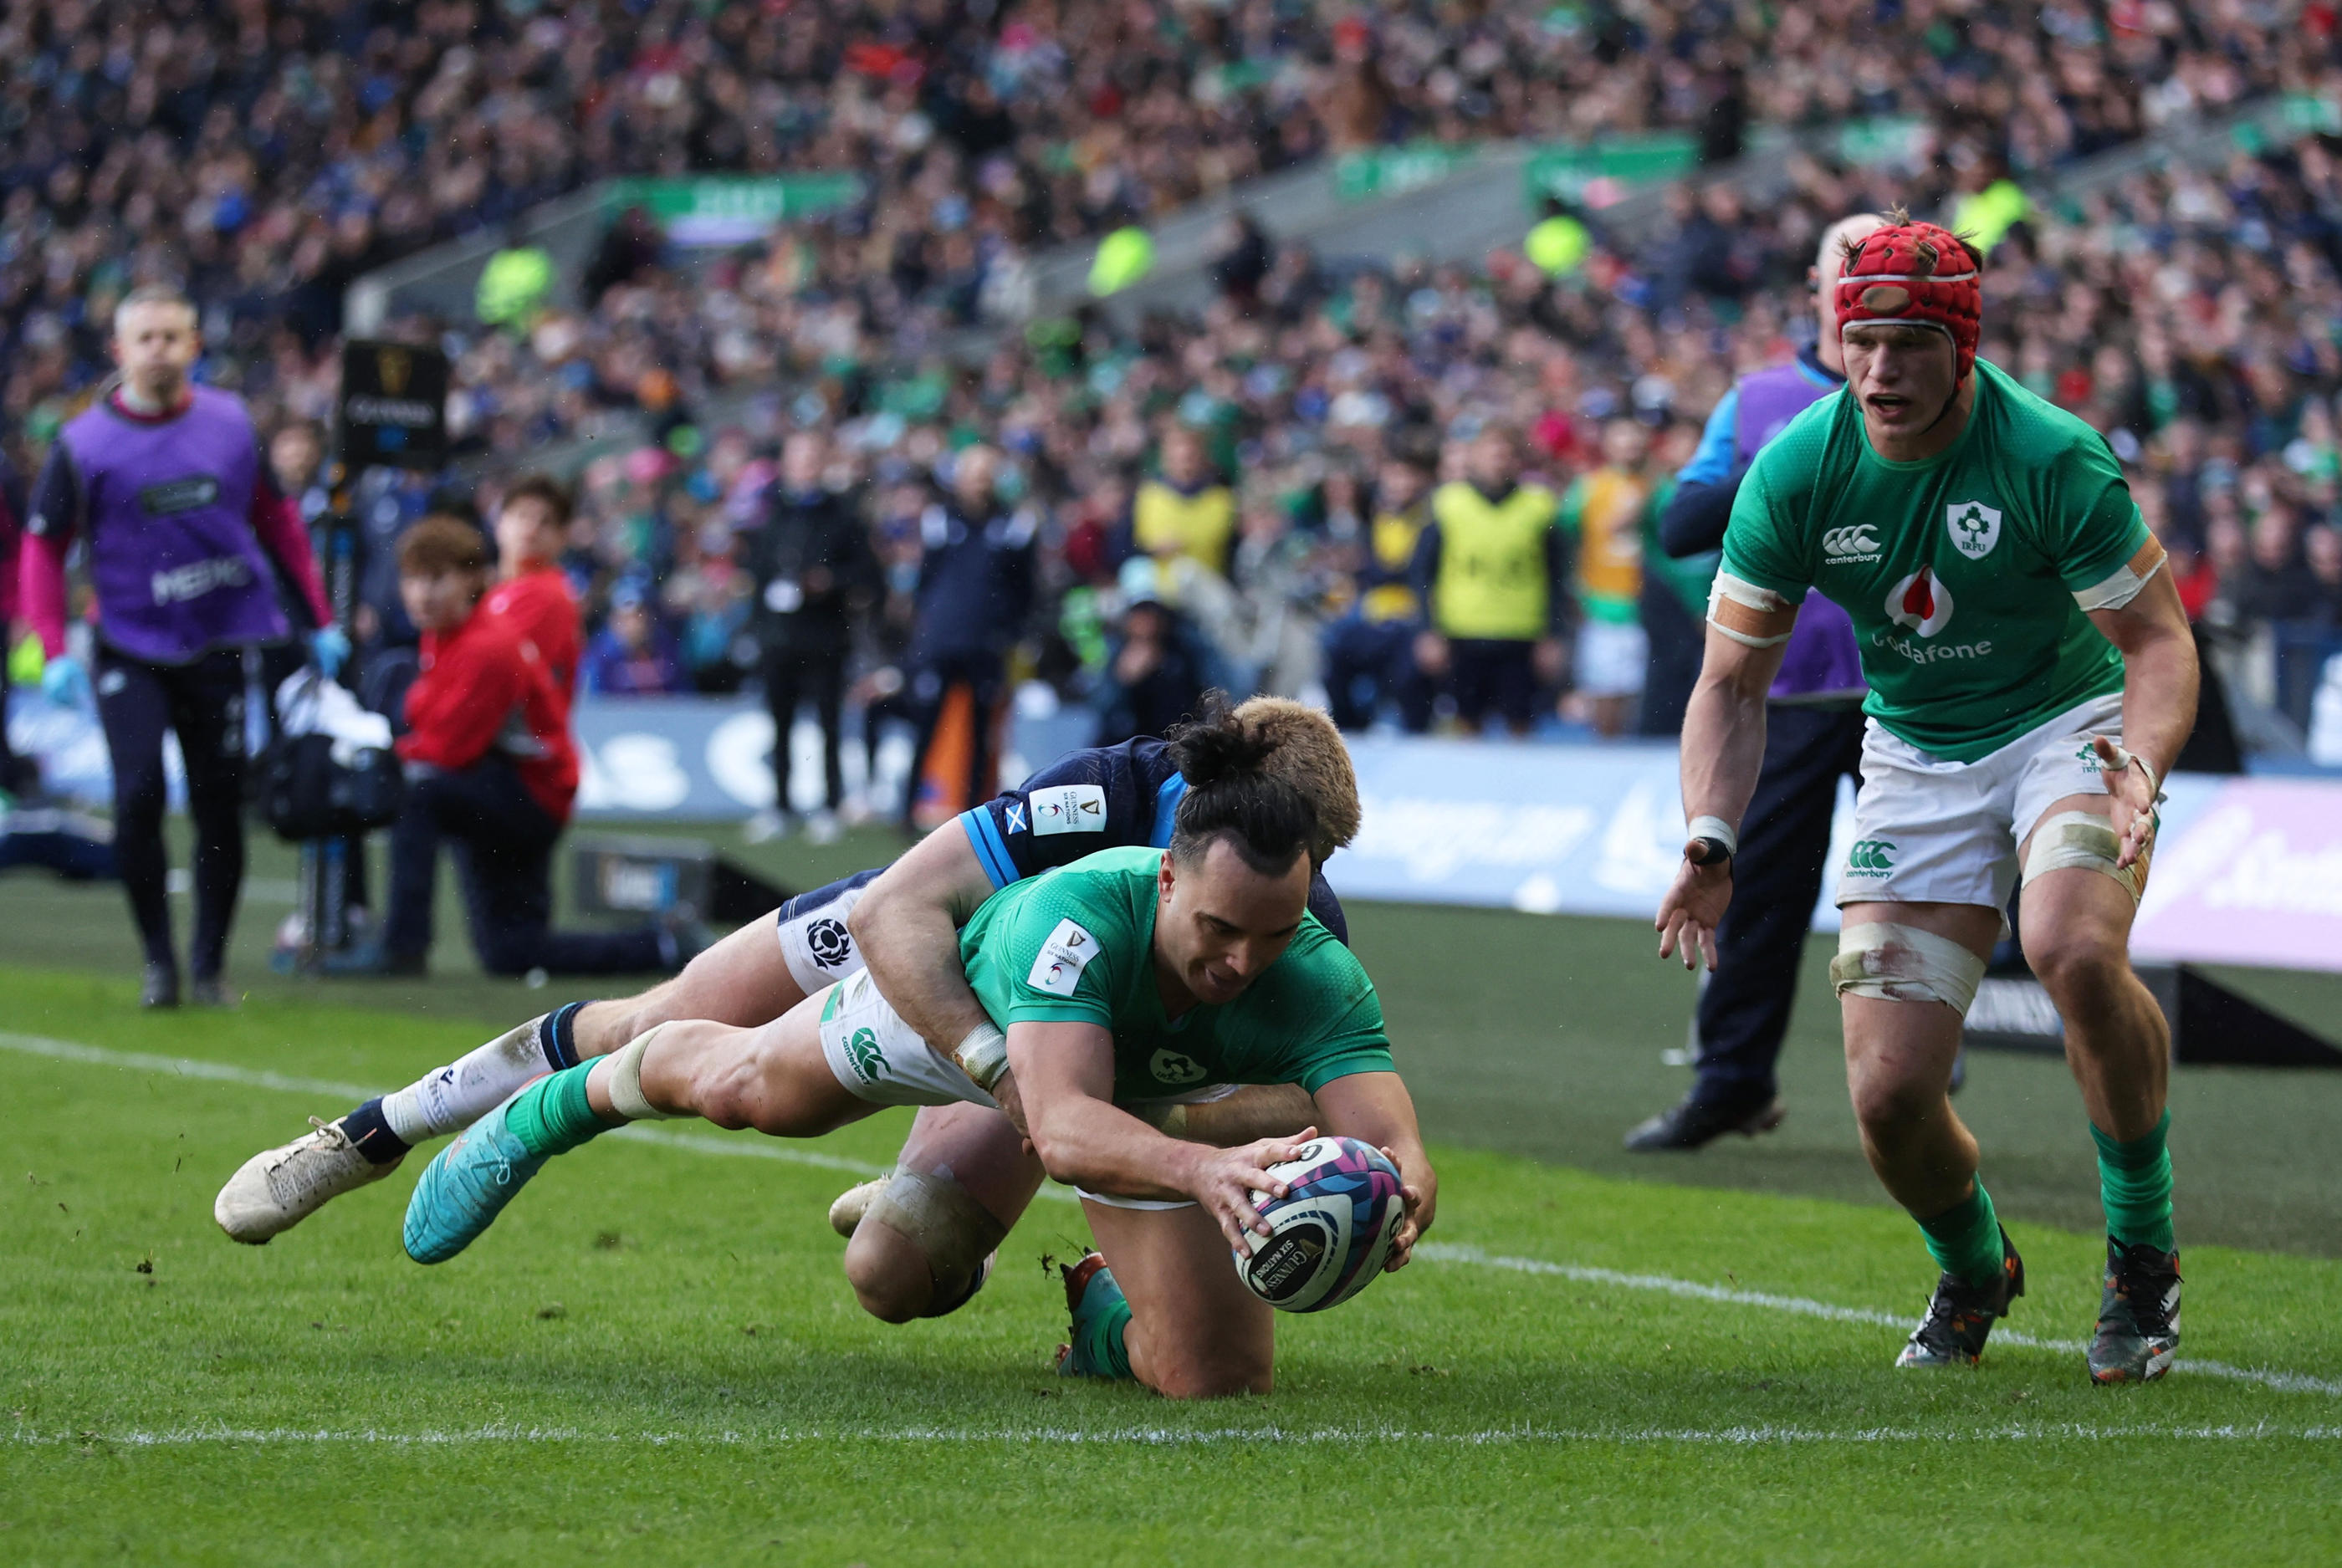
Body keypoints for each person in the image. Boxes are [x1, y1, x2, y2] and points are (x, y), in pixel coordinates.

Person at [215, 695, 1358, 1332]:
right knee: (654, 1023)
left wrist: (1167, 1124)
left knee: (900, 1276)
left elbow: (1292, 1080)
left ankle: (1094, 1295)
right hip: (933, 967)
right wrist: (990, 1058)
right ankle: (368, 1132)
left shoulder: (1294, 915)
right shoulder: (1111, 790)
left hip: (1063, 1065)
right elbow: (898, 908)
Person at [396, 735, 1434, 1400]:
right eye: (1219, 930)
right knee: (746, 1091)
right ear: (1170, 875)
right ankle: (557, 1105)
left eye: (1273, 934)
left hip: (1130, 1089)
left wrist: (1402, 1185)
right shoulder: (1083, 886)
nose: (1244, 961)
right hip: (976, 1020)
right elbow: (1057, 1121)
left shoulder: (1312, 955)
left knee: (1209, 1378)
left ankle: (1100, 1303)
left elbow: (1376, 1119)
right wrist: (1209, 1167)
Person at [1656, 211, 2199, 1383]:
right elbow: (1730, 683)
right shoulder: (1797, 466)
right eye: (1861, 340)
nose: (1880, 367)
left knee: (2072, 947)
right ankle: (1974, 1263)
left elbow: (2157, 642)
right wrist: (1710, 834)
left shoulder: (2051, 454)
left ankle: (2142, 1252)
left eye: (1909, 342)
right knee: (1890, 1092)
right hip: (1909, 749)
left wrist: (2142, 764)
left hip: (2070, 723)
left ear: (1963, 343)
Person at [1625, 214, 1882, 1152]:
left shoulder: (1940, 390)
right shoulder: (1761, 398)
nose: (1859, 284)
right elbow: (1682, 521)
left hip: (1915, 687)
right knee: (1756, 897)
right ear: (1814, 294)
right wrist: (1791, 469)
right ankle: (1731, 1083)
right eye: (1843, 271)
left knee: (1922, 890)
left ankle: (1922, 1064)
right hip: (1783, 690)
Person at [18, 285, 339, 1007]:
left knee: (220, 805)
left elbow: (278, 521)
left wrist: (318, 618)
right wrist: (54, 647)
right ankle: (159, 961)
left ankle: (209, 966)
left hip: (221, 639)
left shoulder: (232, 425)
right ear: (119, 351)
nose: (159, 348)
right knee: (137, 795)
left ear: (195, 345)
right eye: (146, 338)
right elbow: (44, 548)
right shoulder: (83, 444)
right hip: (128, 644)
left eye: (172, 336)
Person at [361, 517, 682, 979]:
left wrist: (386, 751)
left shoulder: (485, 647)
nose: (420, 594)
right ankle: (663, 946)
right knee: (513, 954)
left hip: (527, 796)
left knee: (420, 794)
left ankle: (401, 948)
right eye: (412, 579)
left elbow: (449, 750)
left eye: (435, 579)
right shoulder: (448, 633)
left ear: (473, 580)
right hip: (512, 790)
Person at [743, 429, 877, 844]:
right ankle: (780, 804)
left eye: (812, 459)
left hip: (824, 638)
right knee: (779, 725)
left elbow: (867, 575)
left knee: (828, 725)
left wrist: (829, 582)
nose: (805, 468)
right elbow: (758, 573)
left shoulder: (843, 516)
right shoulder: (773, 514)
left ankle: (829, 805)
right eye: (798, 459)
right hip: (779, 638)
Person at [902, 445, 1037, 830]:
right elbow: (924, 583)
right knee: (925, 727)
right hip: (941, 643)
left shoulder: (1015, 524)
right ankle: (906, 809)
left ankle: (975, 815)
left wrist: (1008, 632)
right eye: (973, 472)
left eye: (986, 473)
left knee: (982, 737)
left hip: (987, 646)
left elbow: (1025, 589)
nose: (979, 481)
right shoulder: (939, 520)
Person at [1411, 426, 1565, 737]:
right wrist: (1428, 630)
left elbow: (1558, 574)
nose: (1498, 460)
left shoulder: (1539, 505)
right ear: (1474, 456)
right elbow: (1422, 572)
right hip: (1462, 629)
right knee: (1466, 721)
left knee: (1520, 722)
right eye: (1490, 452)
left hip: (1521, 630)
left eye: (1505, 453)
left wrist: (1554, 634)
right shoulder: (1447, 503)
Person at [1556, 417, 1655, 737]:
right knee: (1602, 687)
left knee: (1634, 691)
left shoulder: (1657, 486)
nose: (1629, 447)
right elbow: (1566, 537)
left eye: (1635, 439)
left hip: (1645, 603)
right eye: (1621, 439)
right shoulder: (1589, 487)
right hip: (1600, 602)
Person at [1321, 456, 1434, 733]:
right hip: (1374, 614)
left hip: (1413, 617)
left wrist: (1384, 571)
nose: (1401, 485)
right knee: (1334, 649)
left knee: (1407, 675)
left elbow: (1416, 571)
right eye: (1394, 477)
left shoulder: (1430, 521)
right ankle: (1349, 729)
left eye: (1407, 477)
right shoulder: (1376, 517)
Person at [482, 474, 583, 707]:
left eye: (545, 522)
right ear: (499, 523)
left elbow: (491, 675)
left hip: (519, 738)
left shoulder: (546, 594)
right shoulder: (499, 590)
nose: (531, 528)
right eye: (522, 515)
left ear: (562, 537)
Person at [1131, 426, 1237, 577]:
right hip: (1161, 579)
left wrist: (1175, 541)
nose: (1184, 461)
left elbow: (1211, 537)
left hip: (1207, 576)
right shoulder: (1150, 494)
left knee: (1187, 573)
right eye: (1177, 456)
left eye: (1190, 456)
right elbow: (1146, 538)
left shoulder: (1220, 496)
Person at [578, 585, 687, 696]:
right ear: (613, 620)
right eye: (625, 618)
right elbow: (594, 698)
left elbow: (684, 693)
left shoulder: (666, 648)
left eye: (637, 616)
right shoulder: (600, 656)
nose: (632, 625)